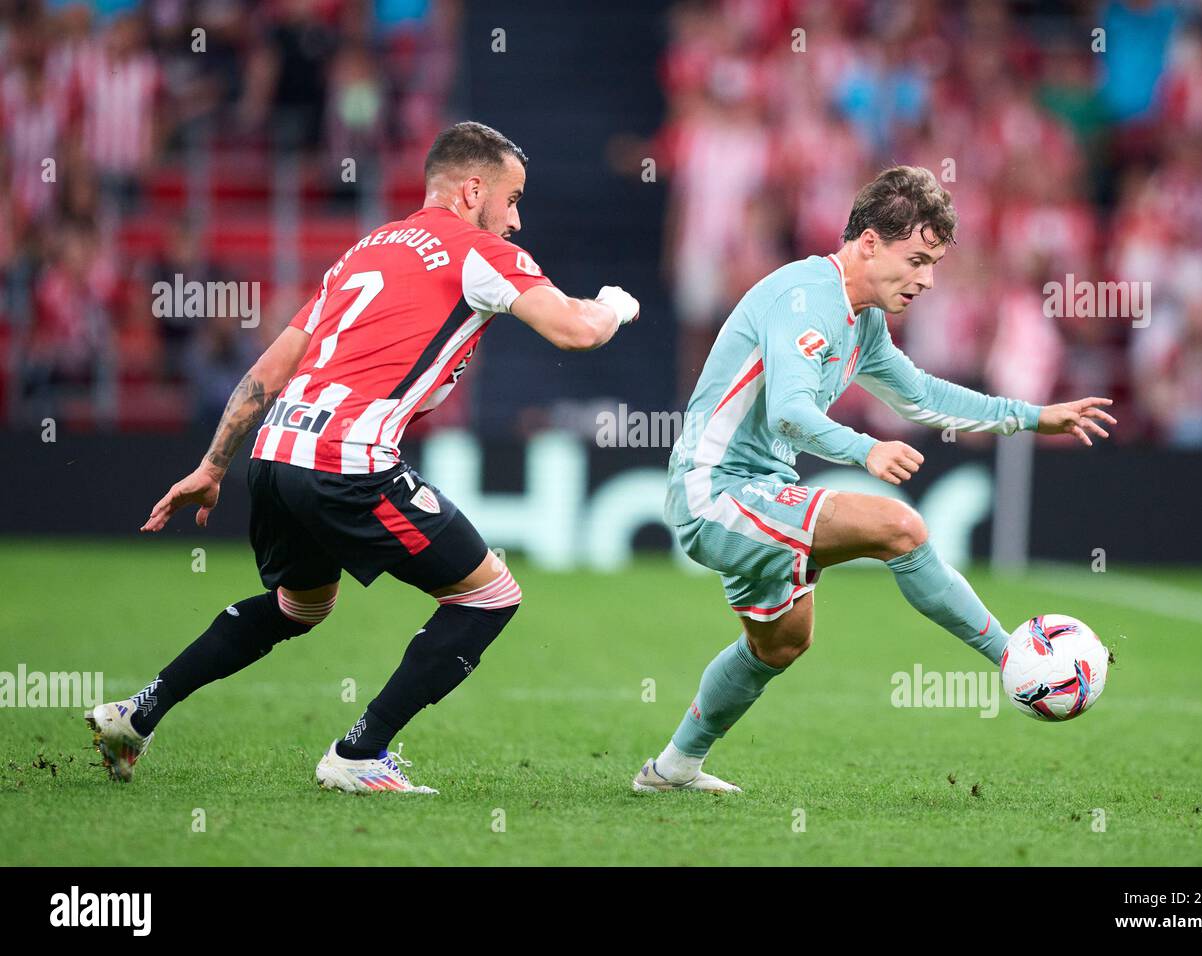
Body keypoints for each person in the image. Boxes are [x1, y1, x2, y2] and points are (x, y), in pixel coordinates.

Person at [85, 121, 640, 793]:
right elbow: (574, 330)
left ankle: (138, 713)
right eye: (513, 198)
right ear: (472, 192)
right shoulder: (475, 249)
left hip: (274, 452)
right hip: (345, 460)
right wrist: (613, 307)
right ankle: (359, 752)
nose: (516, 220)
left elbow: (274, 364)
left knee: (299, 607)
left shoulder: (365, 250)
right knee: (490, 596)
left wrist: (213, 463)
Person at [634, 165, 1114, 793]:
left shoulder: (862, 320)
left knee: (781, 644)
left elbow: (919, 395)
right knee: (899, 527)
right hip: (716, 488)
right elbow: (789, 410)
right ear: (868, 242)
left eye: (935, 264)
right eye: (916, 259)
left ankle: (672, 770)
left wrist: (1030, 417)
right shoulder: (806, 298)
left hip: (761, 487)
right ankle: (1020, 660)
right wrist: (866, 450)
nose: (927, 279)